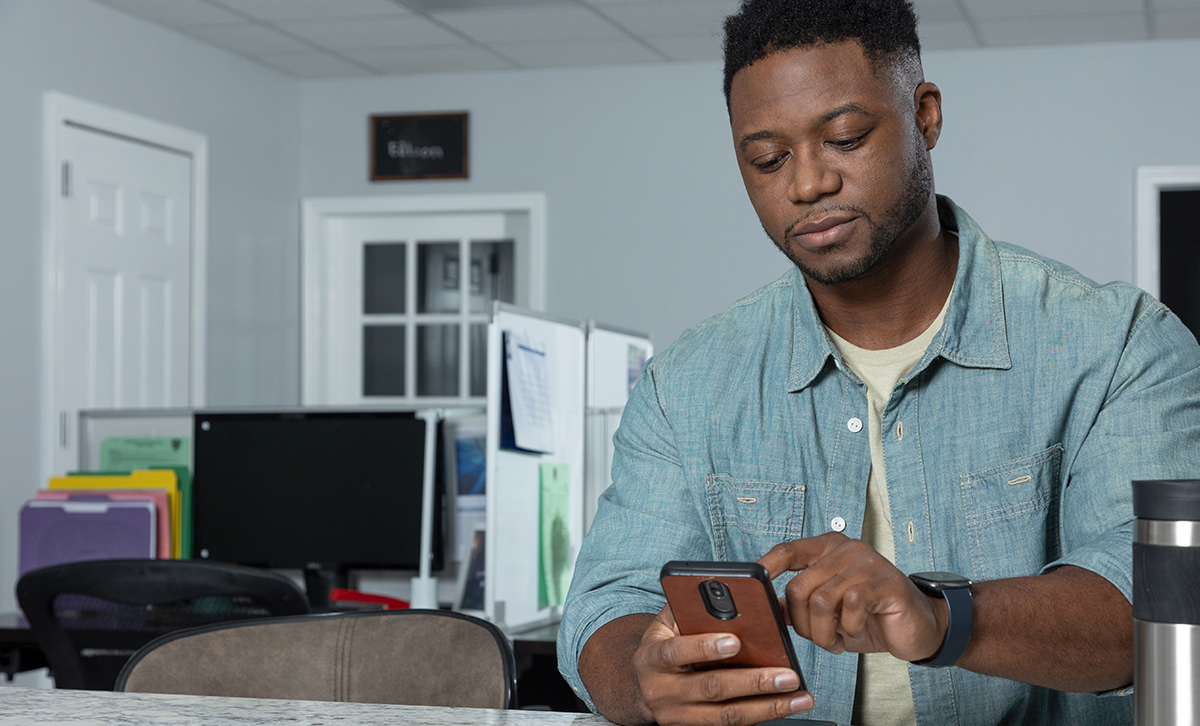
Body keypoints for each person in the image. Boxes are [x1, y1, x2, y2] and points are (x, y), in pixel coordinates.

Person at [556, 1, 1200, 725]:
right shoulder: (688, 385)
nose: (806, 185)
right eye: (767, 159)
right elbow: (607, 607)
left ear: (925, 116)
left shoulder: (1117, 343)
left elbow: (1164, 608)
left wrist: (937, 615)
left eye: (844, 138)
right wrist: (645, 676)